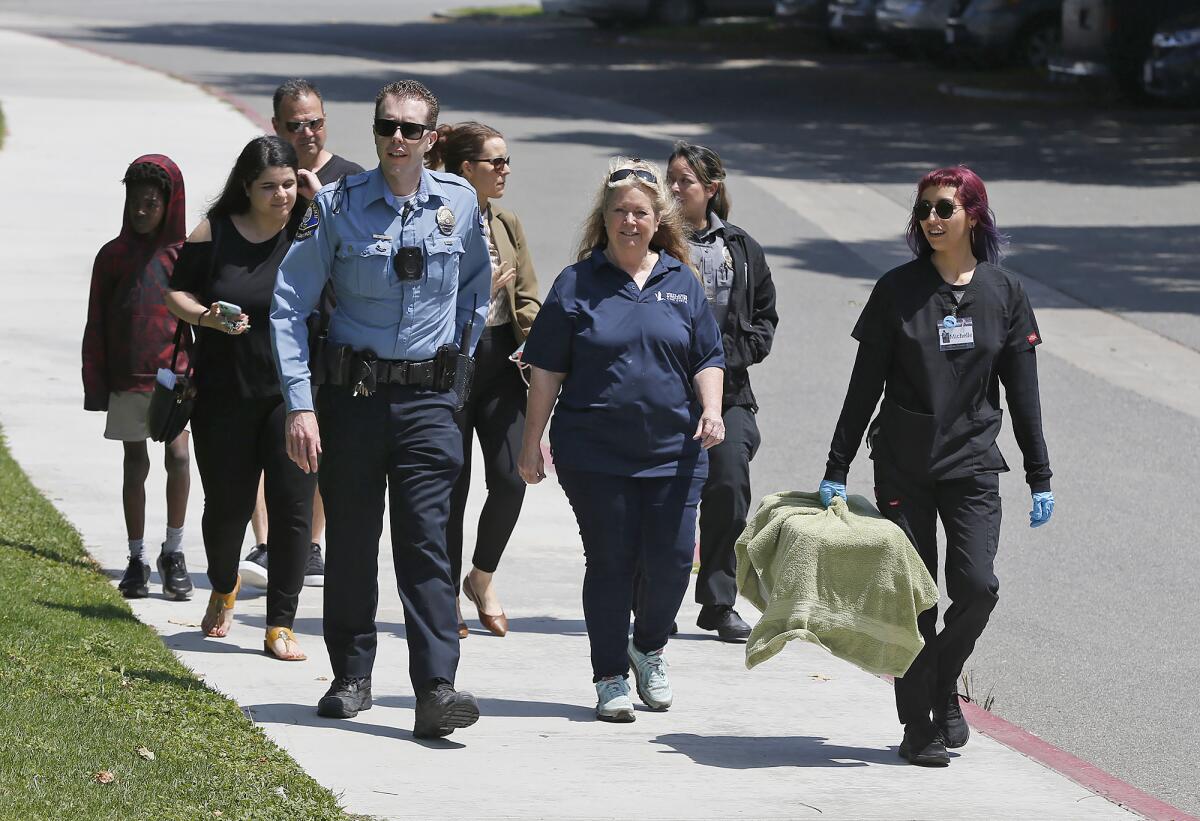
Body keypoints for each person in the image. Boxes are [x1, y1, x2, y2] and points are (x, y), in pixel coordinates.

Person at [270, 80, 490, 738]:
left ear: (431, 139)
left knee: (426, 544)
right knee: (353, 545)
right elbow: (288, 304)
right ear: (374, 132)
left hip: (429, 401)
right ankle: (352, 675)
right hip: (353, 399)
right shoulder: (336, 206)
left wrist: (461, 364)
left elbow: (477, 287)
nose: (397, 138)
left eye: (410, 129)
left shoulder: (459, 204)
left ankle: (435, 688)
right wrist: (300, 405)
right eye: (386, 126)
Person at [817, 165, 1055, 766]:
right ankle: (917, 724)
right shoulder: (897, 290)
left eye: (943, 208)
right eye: (922, 209)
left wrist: (1039, 474)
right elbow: (862, 386)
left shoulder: (1005, 293)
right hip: (903, 463)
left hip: (973, 462)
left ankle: (940, 680)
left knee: (977, 588)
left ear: (974, 214)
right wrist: (836, 466)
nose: (930, 220)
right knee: (914, 600)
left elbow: (1023, 394)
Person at [517, 157, 725, 723]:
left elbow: (707, 355)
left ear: (658, 219)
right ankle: (610, 675)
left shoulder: (681, 281)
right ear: (603, 219)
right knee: (610, 563)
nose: (629, 222)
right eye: (618, 213)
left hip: (675, 452)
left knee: (674, 561)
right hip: (595, 453)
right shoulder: (576, 284)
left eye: (640, 212)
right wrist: (531, 441)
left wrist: (711, 409)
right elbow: (546, 370)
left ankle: (649, 648)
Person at [166, 136, 316, 662]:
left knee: (293, 509)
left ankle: (281, 623)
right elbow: (177, 292)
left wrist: (314, 197)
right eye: (269, 187)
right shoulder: (216, 230)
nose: (282, 195)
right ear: (246, 188)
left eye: (290, 183)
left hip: (292, 394)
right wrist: (206, 316)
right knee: (227, 509)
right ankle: (225, 586)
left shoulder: (309, 229)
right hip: (225, 394)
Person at [242, 78, 369, 589]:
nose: (306, 132)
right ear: (276, 127)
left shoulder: (350, 179)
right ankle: (267, 541)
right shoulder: (264, 174)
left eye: (314, 122)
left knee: (320, 437)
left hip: (335, 329)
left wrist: (323, 206)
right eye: (294, 125)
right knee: (260, 431)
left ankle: (311, 544)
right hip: (270, 326)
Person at [428, 121, 541, 639]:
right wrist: (474, 289)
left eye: (506, 160)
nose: (505, 170)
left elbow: (527, 294)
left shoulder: (506, 220)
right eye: (495, 162)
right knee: (452, 486)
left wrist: (541, 342)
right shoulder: (435, 218)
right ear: (466, 169)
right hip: (450, 359)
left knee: (514, 477)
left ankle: (482, 576)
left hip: (500, 361)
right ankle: (445, 592)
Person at [665, 141, 778, 643]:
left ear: (711, 188)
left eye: (683, 181)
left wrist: (737, 355)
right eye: (669, 179)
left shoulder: (740, 248)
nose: (672, 188)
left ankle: (717, 601)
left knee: (729, 487)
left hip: (729, 394)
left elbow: (765, 317)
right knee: (664, 498)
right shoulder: (653, 240)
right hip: (664, 393)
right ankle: (656, 599)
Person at [82, 154, 194, 602]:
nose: (142, 212)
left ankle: (175, 551)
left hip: (175, 379)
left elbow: (197, 320)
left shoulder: (185, 256)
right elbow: (96, 324)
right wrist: (97, 384)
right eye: (135, 203)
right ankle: (136, 557)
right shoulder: (113, 256)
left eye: (152, 204)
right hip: (128, 379)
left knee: (180, 458)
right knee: (134, 464)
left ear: (171, 205)